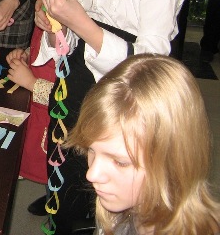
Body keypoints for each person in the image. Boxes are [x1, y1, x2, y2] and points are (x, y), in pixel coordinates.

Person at [34, 0, 185, 235]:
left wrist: (78, 22)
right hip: (75, 94)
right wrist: (55, 24)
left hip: (116, 104)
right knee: (69, 179)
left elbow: (150, 69)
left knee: (98, 200)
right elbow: (73, 38)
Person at [67, 54, 220, 235]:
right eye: (91, 151)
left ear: (173, 161)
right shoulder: (121, 203)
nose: (92, 174)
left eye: (120, 162)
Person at [6, 0, 85, 187]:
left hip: (50, 114)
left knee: (47, 161)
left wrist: (30, 82)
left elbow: (66, 95)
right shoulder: (44, 12)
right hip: (35, 108)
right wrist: (26, 54)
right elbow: (43, 51)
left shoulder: (69, 29)